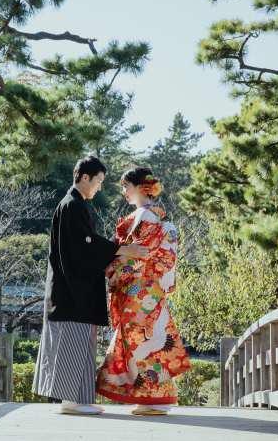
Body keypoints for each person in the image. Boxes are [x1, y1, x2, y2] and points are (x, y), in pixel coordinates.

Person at [32, 157, 150, 415]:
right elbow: (87, 245)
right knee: (73, 343)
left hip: (76, 288)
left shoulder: (76, 205)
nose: (99, 187)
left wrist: (111, 262)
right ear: (85, 177)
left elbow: (89, 245)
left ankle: (78, 400)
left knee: (82, 344)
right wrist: (123, 250)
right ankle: (70, 402)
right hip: (70, 292)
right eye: (98, 181)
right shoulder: (71, 205)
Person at [96, 167, 191, 415]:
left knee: (143, 341)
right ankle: (152, 398)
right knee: (143, 341)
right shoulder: (147, 215)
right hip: (144, 289)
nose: (124, 192)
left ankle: (155, 400)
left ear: (140, 187)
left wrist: (113, 272)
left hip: (140, 290)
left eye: (126, 186)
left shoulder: (147, 217)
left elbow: (140, 253)